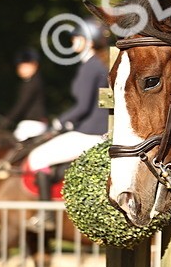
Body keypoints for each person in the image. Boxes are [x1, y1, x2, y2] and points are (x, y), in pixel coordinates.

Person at [26, 22, 110, 203]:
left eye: (77, 37)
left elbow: (83, 107)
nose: (72, 41)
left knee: (37, 158)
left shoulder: (91, 66)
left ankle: (46, 214)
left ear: (89, 41)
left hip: (90, 132)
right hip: (96, 129)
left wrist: (59, 123)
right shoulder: (98, 64)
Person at [0, 49, 48, 141]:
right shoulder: (28, 82)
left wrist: (7, 120)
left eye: (24, 66)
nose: (20, 69)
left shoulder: (33, 82)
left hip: (33, 124)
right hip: (28, 123)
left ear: (34, 65)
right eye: (19, 66)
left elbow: (22, 103)